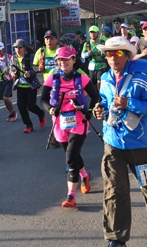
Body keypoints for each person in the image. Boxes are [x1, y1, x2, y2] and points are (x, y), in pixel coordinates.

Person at [93, 37, 147, 247]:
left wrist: (130, 103)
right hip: (112, 143)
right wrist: (98, 110)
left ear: (127, 55)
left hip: (139, 145)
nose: (113, 58)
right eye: (109, 53)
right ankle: (116, 239)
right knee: (114, 191)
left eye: (117, 53)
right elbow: (105, 101)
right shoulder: (106, 78)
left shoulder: (141, 78)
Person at [41, 46, 100, 208]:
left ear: (74, 60)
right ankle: (85, 175)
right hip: (60, 123)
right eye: (60, 59)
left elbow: (96, 96)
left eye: (66, 59)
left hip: (79, 121)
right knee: (72, 155)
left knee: (70, 157)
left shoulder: (82, 78)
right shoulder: (52, 78)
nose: (63, 62)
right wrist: (51, 109)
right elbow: (44, 99)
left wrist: (89, 111)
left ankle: (71, 196)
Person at [10, 39, 46, 133]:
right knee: (21, 106)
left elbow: (37, 68)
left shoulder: (30, 57)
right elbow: (11, 69)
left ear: (24, 48)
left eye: (19, 47)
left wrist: (30, 73)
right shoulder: (13, 58)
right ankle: (28, 125)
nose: (17, 49)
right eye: (15, 47)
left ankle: (40, 113)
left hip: (31, 86)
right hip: (20, 86)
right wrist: (13, 74)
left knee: (31, 105)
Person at [0, 42, 18, 122]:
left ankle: (13, 112)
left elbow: (14, 66)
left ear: (3, 49)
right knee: (4, 99)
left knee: (5, 97)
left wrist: (10, 71)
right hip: (1, 80)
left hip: (8, 79)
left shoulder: (9, 57)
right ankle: (11, 112)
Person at [82, 25, 108, 90]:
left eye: (94, 32)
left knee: (99, 82)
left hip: (102, 65)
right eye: (91, 33)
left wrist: (104, 55)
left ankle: (100, 96)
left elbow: (108, 55)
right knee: (93, 85)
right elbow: (82, 55)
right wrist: (88, 53)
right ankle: (96, 97)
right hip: (92, 66)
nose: (92, 34)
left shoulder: (102, 43)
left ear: (98, 33)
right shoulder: (87, 44)